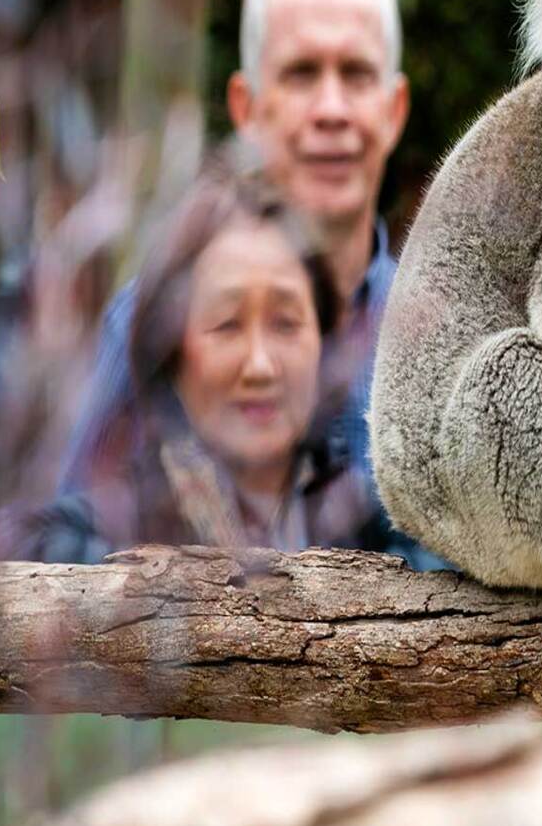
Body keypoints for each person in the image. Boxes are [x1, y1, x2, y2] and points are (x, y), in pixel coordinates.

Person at [54, 0, 440, 566]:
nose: (332, 109)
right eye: (300, 74)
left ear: (395, 108)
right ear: (245, 108)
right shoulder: (152, 317)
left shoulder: (445, 333)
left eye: (356, 74)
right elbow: (60, 559)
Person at [23, 176, 354, 560]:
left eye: (286, 323)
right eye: (227, 324)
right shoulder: (108, 529)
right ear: (170, 351)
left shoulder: (374, 523)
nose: (260, 366)